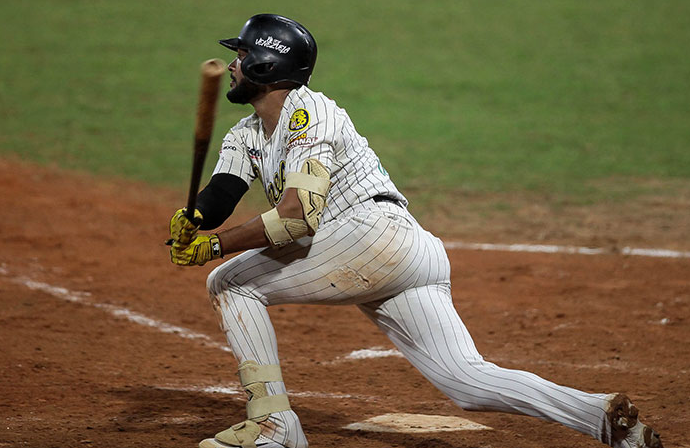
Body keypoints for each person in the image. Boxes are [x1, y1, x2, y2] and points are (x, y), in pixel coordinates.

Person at [168, 13, 663, 448]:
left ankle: (274, 427)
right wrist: (194, 219)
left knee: (229, 283)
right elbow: (221, 195)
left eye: (241, 54)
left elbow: (298, 217)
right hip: (404, 251)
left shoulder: (309, 111)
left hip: (368, 235)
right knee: (467, 381)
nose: (233, 63)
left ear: (266, 65)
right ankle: (603, 418)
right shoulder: (247, 134)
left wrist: (215, 246)